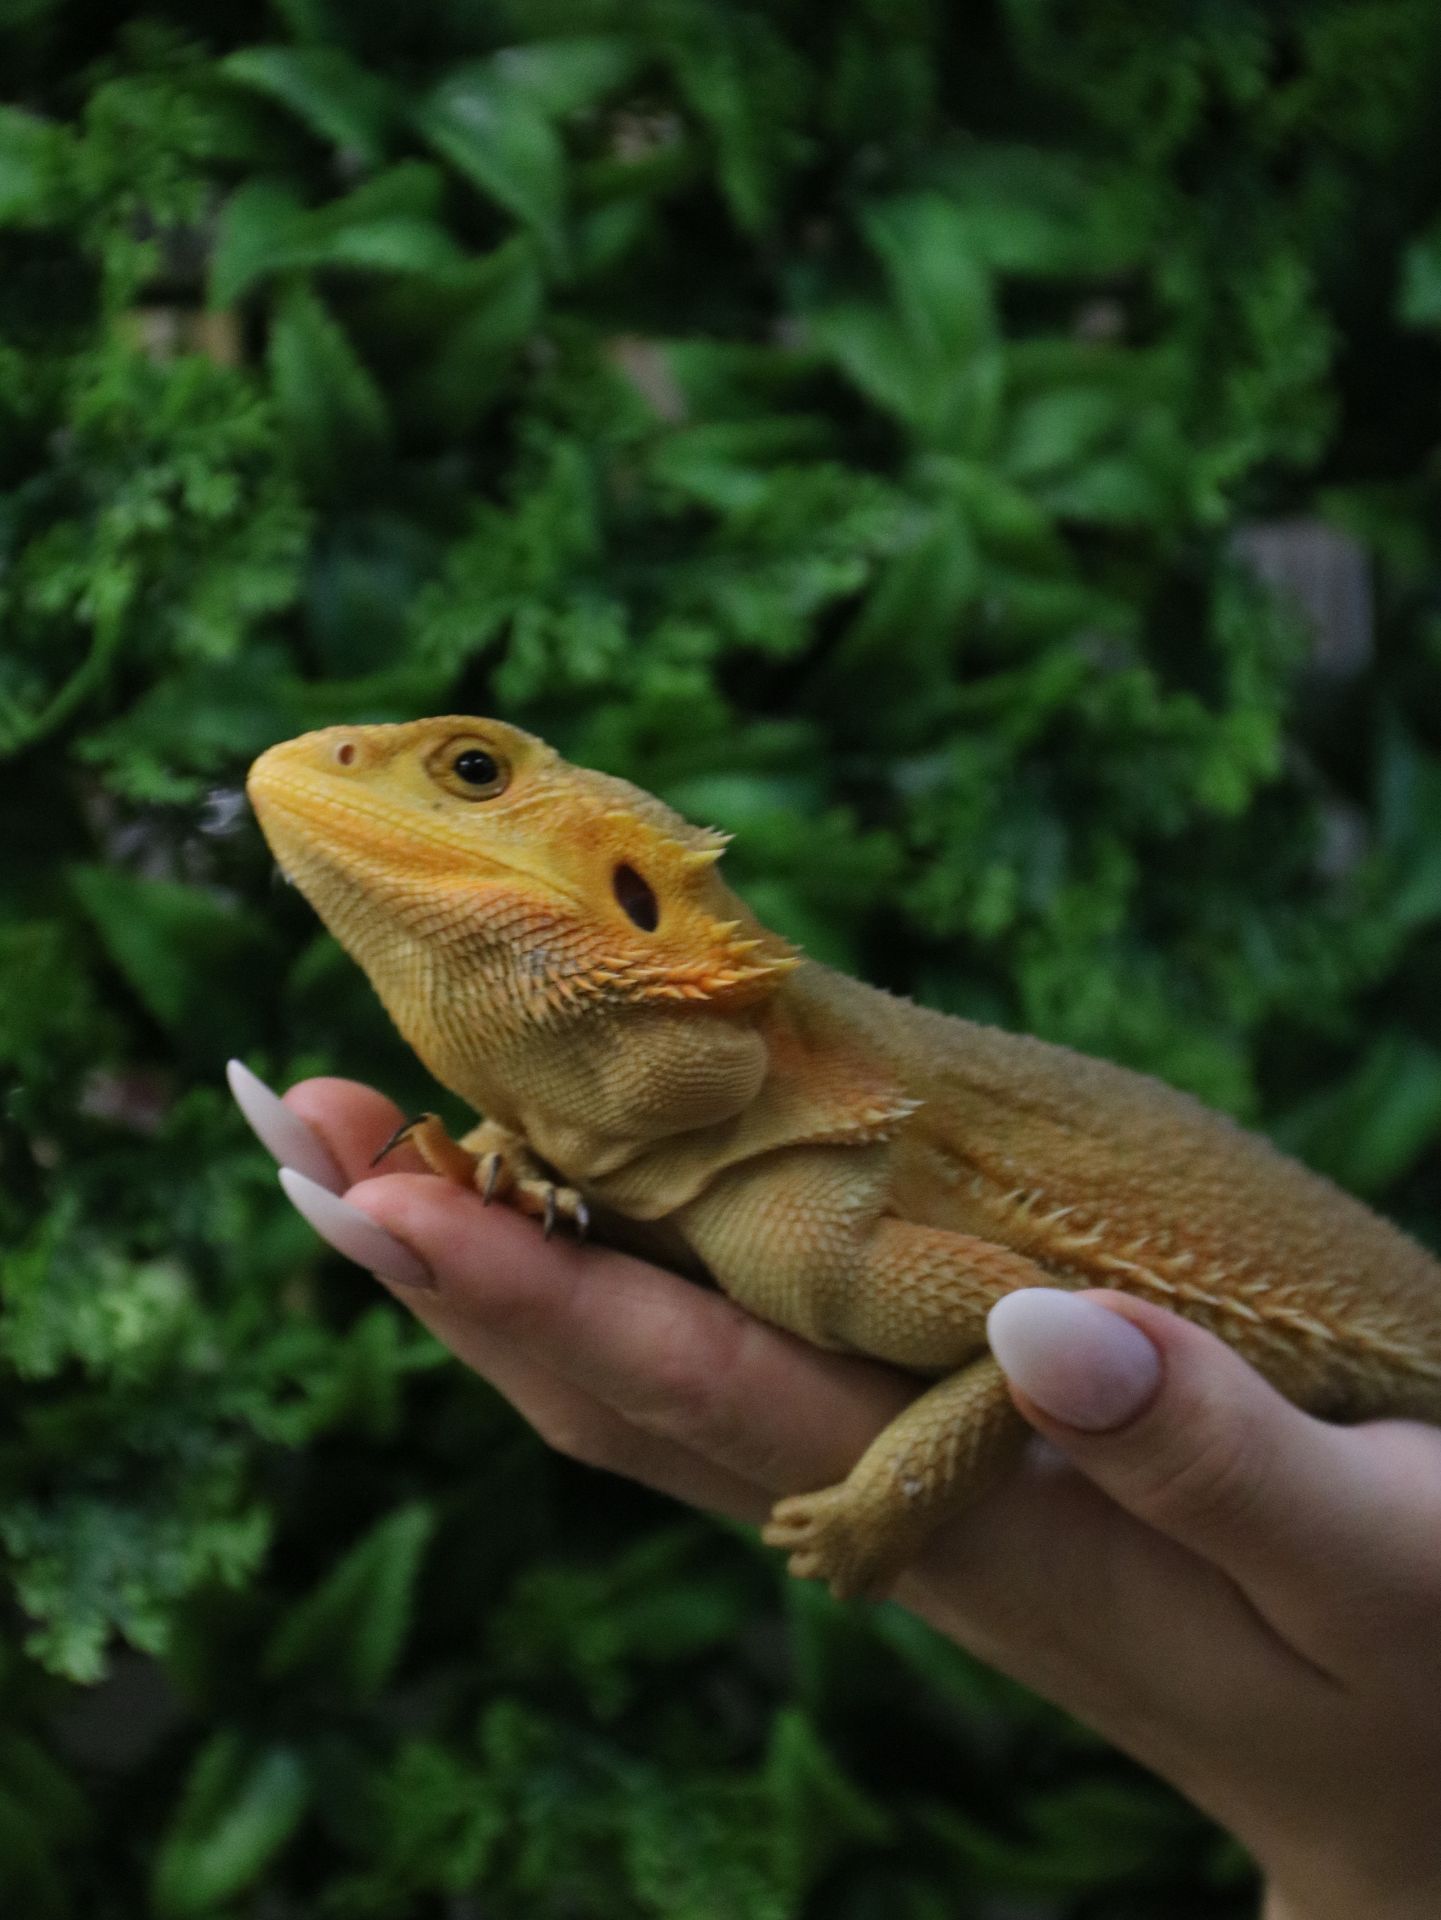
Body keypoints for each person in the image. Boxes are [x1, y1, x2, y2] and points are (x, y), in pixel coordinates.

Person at [229, 1062, 1441, 1920]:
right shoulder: (741, 1162)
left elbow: (998, 1335)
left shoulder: (813, 1204)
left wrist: (888, 1505)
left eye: (475, 774)